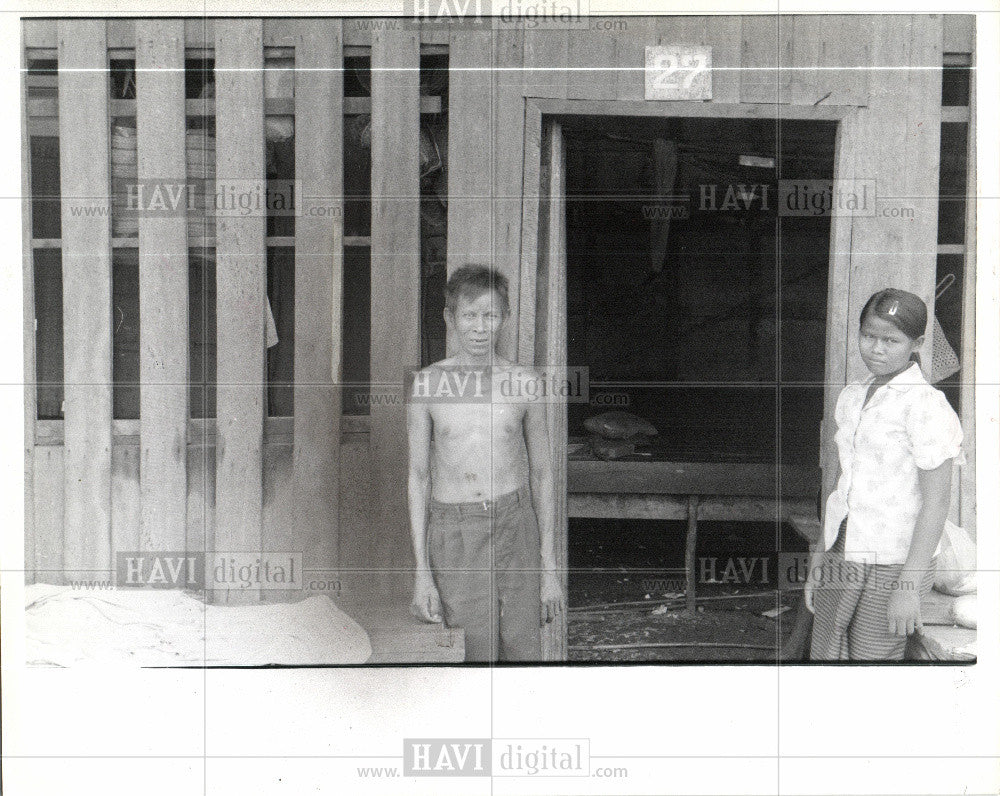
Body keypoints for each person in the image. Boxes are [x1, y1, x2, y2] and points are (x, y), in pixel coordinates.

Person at [406, 264, 564, 662]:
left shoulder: (525, 384)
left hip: (515, 525)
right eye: (469, 315)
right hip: (455, 531)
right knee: (472, 653)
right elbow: (418, 477)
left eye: (490, 315)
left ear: (504, 318)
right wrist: (421, 573)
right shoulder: (427, 385)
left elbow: (544, 474)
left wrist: (548, 569)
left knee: (523, 648)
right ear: (450, 318)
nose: (479, 327)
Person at [806, 288, 964, 660]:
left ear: (917, 343)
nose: (876, 349)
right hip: (843, 548)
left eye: (891, 340)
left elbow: (936, 503)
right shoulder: (852, 395)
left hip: (896, 561)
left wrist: (908, 587)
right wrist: (818, 555)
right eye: (868, 336)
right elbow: (838, 485)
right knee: (826, 650)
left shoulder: (926, 406)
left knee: (873, 658)